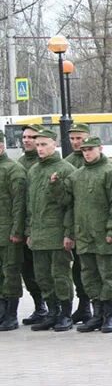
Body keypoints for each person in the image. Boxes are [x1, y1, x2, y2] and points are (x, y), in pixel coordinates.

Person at [51, 136, 112, 333]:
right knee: (89, 276)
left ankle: (109, 316)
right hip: (84, 235)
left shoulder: (110, 173)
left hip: (104, 235)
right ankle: (97, 314)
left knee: (107, 276)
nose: (87, 153)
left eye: (90, 149)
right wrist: (56, 185)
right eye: (84, 150)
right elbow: (67, 202)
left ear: (100, 148)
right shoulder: (77, 176)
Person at [27, 129, 76, 332]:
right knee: (42, 276)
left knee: (60, 275)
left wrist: (69, 233)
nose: (40, 149)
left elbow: (71, 205)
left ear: (54, 145)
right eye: (37, 145)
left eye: (44, 144)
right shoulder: (34, 171)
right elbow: (30, 206)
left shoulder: (66, 169)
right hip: (38, 235)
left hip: (57, 233)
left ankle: (65, 314)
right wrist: (28, 231)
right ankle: (52, 312)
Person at [63, 122, 93, 326]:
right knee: (77, 268)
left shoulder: (92, 159)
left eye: (79, 138)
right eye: (72, 139)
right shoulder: (67, 162)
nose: (75, 142)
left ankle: (95, 307)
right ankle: (83, 305)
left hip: (91, 222)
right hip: (73, 222)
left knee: (91, 267)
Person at [16, 124, 47, 325]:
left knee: (45, 270)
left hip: (43, 226)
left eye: (32, 137)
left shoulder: (44, 162)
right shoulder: (19, 163)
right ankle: (39, 306)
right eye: (25, 137)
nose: (27, 140)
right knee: (27, 270)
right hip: (23, 225)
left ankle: (55, 308)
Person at [0, 130, 27, 331]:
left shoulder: (13, 170)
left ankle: (11, 314)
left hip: (8, 232)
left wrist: (17, 231)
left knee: (10, 272)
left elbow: (19, 204)